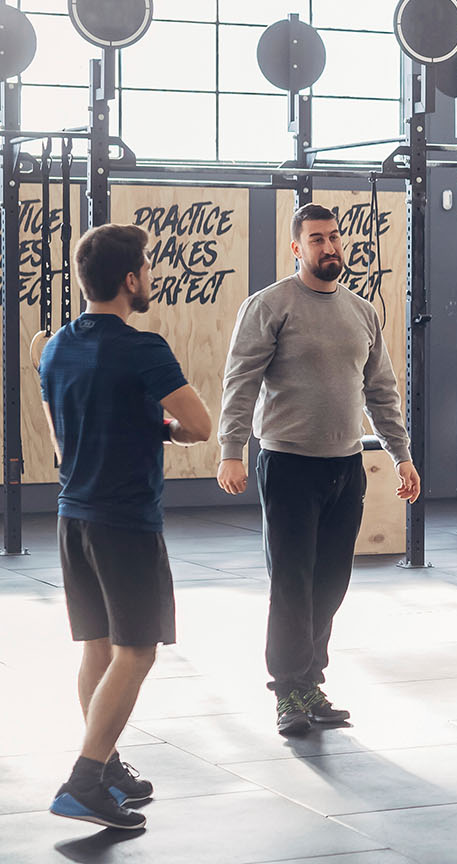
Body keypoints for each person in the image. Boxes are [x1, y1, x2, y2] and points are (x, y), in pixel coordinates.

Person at [218, 202, 420, 736]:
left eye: (333, 238)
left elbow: (381, 390)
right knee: (291, 581)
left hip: (345, 465)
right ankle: (288, 692)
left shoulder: (361, 311)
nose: (329, 247)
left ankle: (311, 681)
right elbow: (240, 380)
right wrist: (231, 448)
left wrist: (401, 454)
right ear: (296, 248)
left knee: (330, 583)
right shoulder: (269, 306)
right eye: (316, 240)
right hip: (287, 464)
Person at [39, 224, 213, 829]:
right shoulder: (145, 348)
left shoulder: (55, 348)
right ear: (130, 279)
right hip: (126, 524)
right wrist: (159, 429)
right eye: (147, 267)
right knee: (135, 653)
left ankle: (107, 765)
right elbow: (199, 426)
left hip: (73, 517)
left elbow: (61, 442)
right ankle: (85, 780)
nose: (151, 277)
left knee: (96, 648)